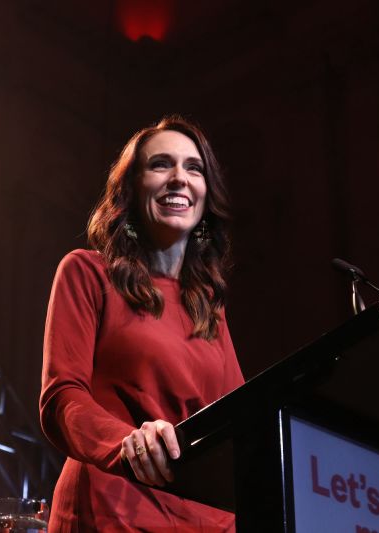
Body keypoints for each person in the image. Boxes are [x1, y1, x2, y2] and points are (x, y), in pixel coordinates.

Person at [40, 116, 244, 531]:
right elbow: (62, 396)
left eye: (194, 167)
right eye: (160, 165)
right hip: (113, 504)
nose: (179, 179)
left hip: (204, 520)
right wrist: (125, 443)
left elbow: (238, 423)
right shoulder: (87, 272)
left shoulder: (208, 307)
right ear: (132, 189)